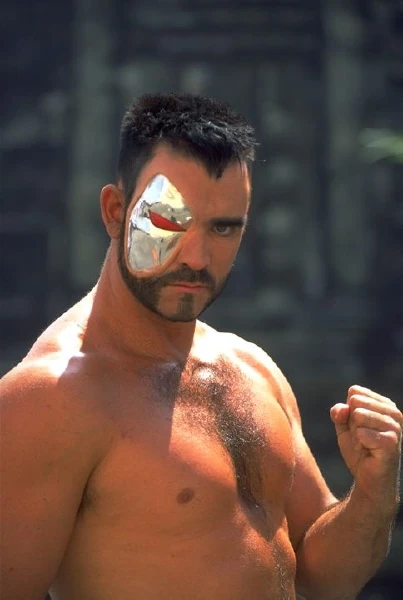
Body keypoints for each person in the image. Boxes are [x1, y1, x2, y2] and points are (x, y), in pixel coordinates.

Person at [1, 93, 401, 600]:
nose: (197, 256)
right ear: (116, 212)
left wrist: (373, 493)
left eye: (223, 228)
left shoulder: (251, 367)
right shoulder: (50, 399)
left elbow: (326, 580)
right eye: (170, 222)